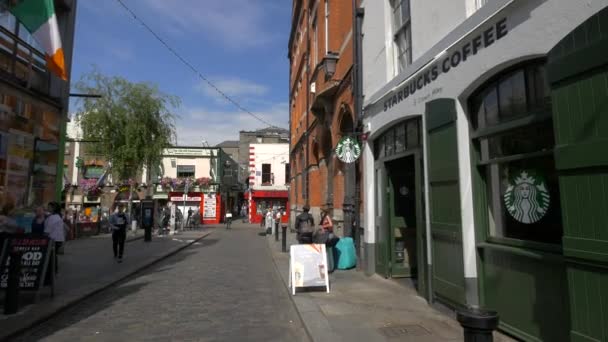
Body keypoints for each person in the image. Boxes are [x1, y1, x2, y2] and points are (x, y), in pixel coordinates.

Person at [44, 202, 65, 273]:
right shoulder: (57, 216)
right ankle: (54, 270)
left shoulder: (52, 218)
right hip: (58, 239)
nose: (47, 208)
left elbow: (47, 230)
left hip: (52, 240)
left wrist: (43, 237)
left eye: (49, 207)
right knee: (53, 255)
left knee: (51, 256)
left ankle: (52, 271)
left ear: (53, 208)